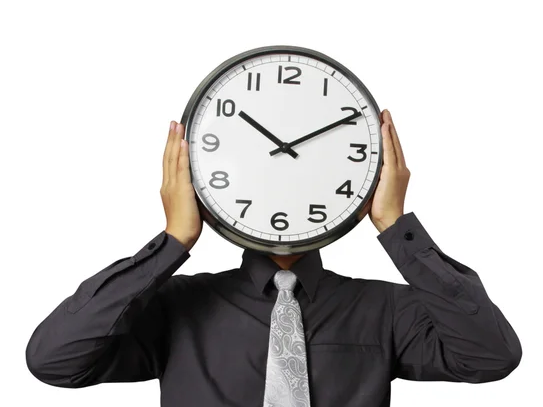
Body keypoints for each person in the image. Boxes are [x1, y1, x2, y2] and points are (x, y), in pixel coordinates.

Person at [25, 109, 522, 406]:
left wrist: (395, 226)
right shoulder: (176, 308)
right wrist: (174, 240)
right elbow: (54, 362)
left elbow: (491, 357)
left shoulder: (384, 310)